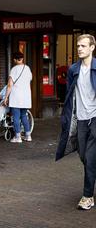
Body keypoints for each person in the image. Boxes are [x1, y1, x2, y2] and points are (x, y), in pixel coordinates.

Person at [56, 34, 96, 210]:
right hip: (80, 118)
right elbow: (69, 95)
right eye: (78, 46)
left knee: (89, 156)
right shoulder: (73, 70)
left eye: (83, 46)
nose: (79, 48)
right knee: (84, 157)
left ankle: (87, 196)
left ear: (92, 47)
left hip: (95, 118)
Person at [3, 52, 32, 143]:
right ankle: (28, 136)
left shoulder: (14, 69)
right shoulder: (27, 68)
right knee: (24, 116)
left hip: (16, 97)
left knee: (15, 117)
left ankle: (18, 137)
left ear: (15, 59)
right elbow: (30, 79)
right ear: (22, 59)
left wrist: (6, 97)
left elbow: (10, 85)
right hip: (26, 97)